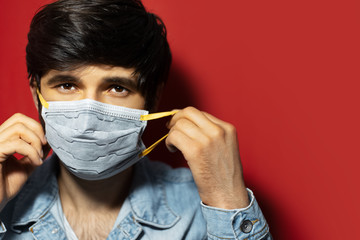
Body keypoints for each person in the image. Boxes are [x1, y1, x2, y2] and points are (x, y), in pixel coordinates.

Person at [0, 0, 272, 239]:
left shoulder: (202, 207)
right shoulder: (5, 202)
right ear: (37, 95)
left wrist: (227, 200)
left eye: (117, 88)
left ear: (152, 100)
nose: (88, 115)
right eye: (67, 85)